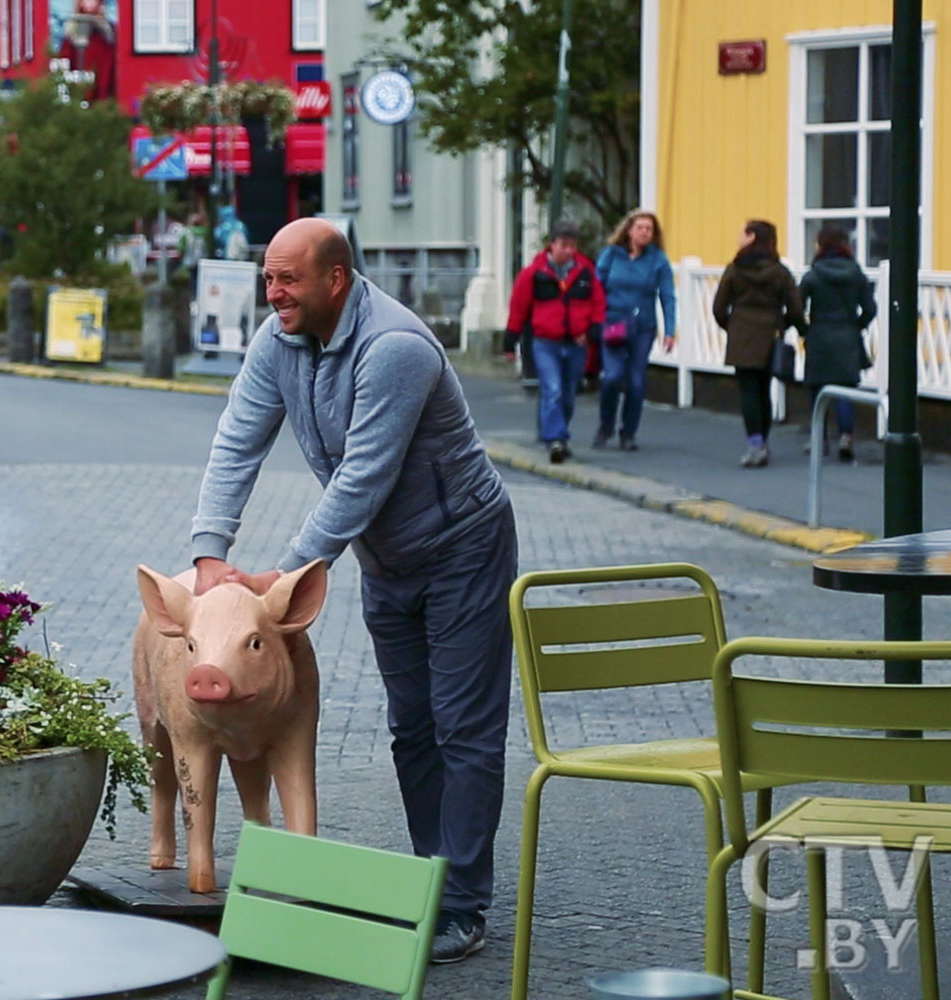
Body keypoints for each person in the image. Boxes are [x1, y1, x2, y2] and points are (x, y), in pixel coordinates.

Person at [191, 217, 516, 964]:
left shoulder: (394, 348)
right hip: (388, 557)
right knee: (411, 726)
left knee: (462, 726)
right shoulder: (279, 340)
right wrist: (210, 552)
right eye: (267, 277)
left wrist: (295, 568)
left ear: (335, 279)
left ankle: (463, 904)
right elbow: (238, 437)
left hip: (464, 545)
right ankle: (432, 879)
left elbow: (363, 476)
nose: (273, 292)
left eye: (287, 279)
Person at [504, 220, 605, 463]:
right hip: (545, 341)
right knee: (553, 389)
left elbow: (598, 305)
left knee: (569, 393)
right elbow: (519, 307)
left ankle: (558, 433)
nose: (568, 250)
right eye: (563, 245)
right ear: (552, 245)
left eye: (572, 246)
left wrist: (593, 332)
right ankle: (555, 439)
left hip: (576, 342)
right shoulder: (534, 274)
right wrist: (510, 340)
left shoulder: (586, 273)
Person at [712, 219, 803, 468]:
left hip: (742, 334)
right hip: (770, 334)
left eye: (743, 233)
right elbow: (796, 309)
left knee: (748, 391)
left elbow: (718, 307)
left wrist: (732, 325)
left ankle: (755, 444)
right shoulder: (780, 272)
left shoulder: (735, 269)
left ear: (751, 237)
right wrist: (784, 324)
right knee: (764, 390)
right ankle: (763, 440)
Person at [593, 209, 677, 451]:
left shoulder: (658, 260)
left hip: (642, 327)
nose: (644, 232)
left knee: (637, 382)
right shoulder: (611, 255)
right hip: (613, 324)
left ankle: (628, 432)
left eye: (649, 229)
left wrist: (669, 330)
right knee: (611, 378)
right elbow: (596, 289)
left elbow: (668, 296)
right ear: (629, 230)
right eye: (640, 227)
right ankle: (605, 424)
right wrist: (595, 321)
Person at [798, 226, 877, 463]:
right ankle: (846, 436)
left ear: (821, 246)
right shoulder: (856, 273)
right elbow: (870, 309)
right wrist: (857, 326)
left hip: (820, 334)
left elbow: (796, 306)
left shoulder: (813, 275)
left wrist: (806, 331)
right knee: (844, 389)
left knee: (817, 389)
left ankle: (819, 439)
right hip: (847, 335)